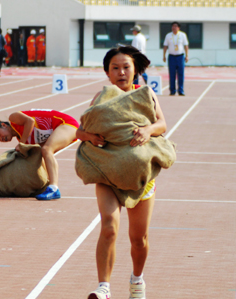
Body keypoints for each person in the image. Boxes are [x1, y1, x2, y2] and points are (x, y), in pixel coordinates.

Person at [77, 46, 166, 299]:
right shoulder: (101, 97)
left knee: (139, 239)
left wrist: (148, 131)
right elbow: (79, 131)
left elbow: (162, 124)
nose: (121, 72)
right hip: (106, 173)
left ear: (135, 70)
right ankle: (103, 288)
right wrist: (90, 137)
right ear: (107, 73)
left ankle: (137, 281)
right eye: (115, 68)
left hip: (140, 177)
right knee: (109, 226)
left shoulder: (146, 94)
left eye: (126, 67)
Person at [0, 109, 79, 200]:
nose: (1, 138)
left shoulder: (13, 118)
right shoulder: (23, 138)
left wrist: (22, 144)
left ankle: (54, 188)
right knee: (41, 153)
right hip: (59, 129)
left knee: (47, 149)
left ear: (3, 125)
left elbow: (30, 121)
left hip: (66, 123)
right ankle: (47, 186)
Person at [163, 21, 189, 96]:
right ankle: (172, 90)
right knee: (172, 74)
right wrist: (164, 55)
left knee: (181, 74)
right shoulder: (168, 35)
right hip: (171, 57)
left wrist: (187, 56)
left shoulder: (182, 35)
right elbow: (165, 46)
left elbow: (186, 46)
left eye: (175, 26)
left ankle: (181, 90)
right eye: (172, 26)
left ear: (178, 27)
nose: (174, 28)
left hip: (180, 56)